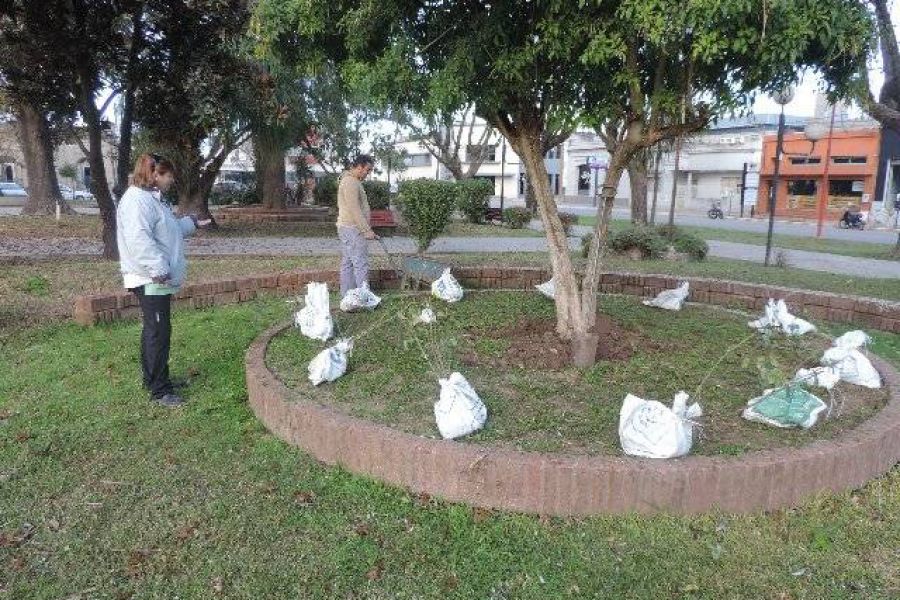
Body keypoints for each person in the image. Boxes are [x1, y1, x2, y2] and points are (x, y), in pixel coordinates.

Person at [116, 153, 211, 407]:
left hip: (157, 276)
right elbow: (139, 240)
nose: (171, 180)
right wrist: (159, 268)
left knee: (156, 331)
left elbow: (169, 230)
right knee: (158, 333)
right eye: (168, 175)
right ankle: (159, 390)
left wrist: (193, 223)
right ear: (154, 175)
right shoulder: (137, 201)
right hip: (151, 278)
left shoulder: (152, 200)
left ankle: (156, 379)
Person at [336, 154, 378, 296]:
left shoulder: (352, 181)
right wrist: (366, 230)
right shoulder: (350, 182)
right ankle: (364, 297)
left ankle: (348, 295)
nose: (368, 173)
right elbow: (354, 208)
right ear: (359, 167)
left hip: (349, 227)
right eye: (368, 169)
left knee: (348, 262)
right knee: (360, 263)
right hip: (353, 229)